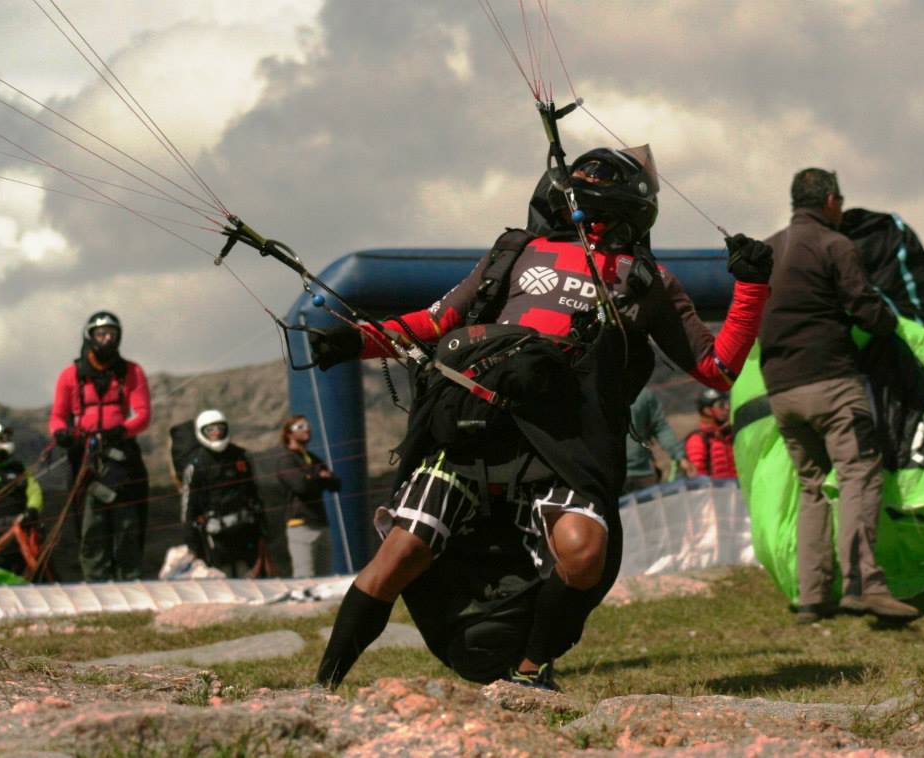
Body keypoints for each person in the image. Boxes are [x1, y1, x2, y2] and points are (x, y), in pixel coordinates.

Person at [308, 145, 773, 690]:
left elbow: (716, 368)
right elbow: (439, 321)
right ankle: (322, 689)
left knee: (583, 552)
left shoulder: (650, 281)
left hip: (563, 440)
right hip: (476, 425)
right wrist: (355, 341)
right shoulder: (517, 252)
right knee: (401, 552)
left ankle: (530, 676)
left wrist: (752, 287)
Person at [759, 167, 919, 623]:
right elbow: (864, 307)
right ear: (830, 201)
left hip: (782, 391)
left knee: (812, 486)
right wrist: (893, 326)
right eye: (841, 201)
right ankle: (864, 584)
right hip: (831, 382)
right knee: (858, 476)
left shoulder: (768, 248)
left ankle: (811, 596)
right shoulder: (835, 245)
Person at [49, 311, 151, 581]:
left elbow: (143, 414)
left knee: (127, 519)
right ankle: (95, 580)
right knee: (90, 521)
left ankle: (129, 578)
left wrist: (123, 430)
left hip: (122, 455)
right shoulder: (70, 375)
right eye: (101, 334)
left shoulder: (132, 371)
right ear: (89, 337)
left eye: (112, 334)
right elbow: (58, 416)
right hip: (84, 456)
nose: (106, 339)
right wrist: (61, 434)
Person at [181, 409, 269, 578]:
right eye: (210, 430)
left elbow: (253, 491)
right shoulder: (196, 464)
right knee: (221, 580)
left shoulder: (240, 456)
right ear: (202, 432)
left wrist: (263, 526)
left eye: (219, 429)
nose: (216, 433)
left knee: (256, 579)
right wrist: (192, 542)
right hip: (216, 535)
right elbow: (188, 505)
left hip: (246, 529)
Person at [276, 414, 341, 578]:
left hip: (321, 525)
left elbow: (335, 484)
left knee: (324, 580)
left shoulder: (313, 458)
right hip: (301, 526)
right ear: (288, 434)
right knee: (306, 580)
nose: (306, 430)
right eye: (300, 427)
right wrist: (319, 476)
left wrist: (313, 476)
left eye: (307, 426)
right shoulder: (286, 460)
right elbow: (301, 486)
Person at [0, 421, 43, 577]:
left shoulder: (18, 468)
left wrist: (32, 510)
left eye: (7, 437)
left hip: (23, 530)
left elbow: (34, 490)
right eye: (2, 438)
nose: (6, 441)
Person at [624, 387, 694, 492]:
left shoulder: (643, 394)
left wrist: (680, 456)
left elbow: (660, 427)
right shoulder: (594, 391)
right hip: (606, 475)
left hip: (643, 473)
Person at [684, 388, 737, 479]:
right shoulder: (697, 440)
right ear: (707, 411)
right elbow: (698, 478)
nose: (727, 408)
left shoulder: (731, 434)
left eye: (727, 403)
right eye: (721, 405)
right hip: (715, 492)